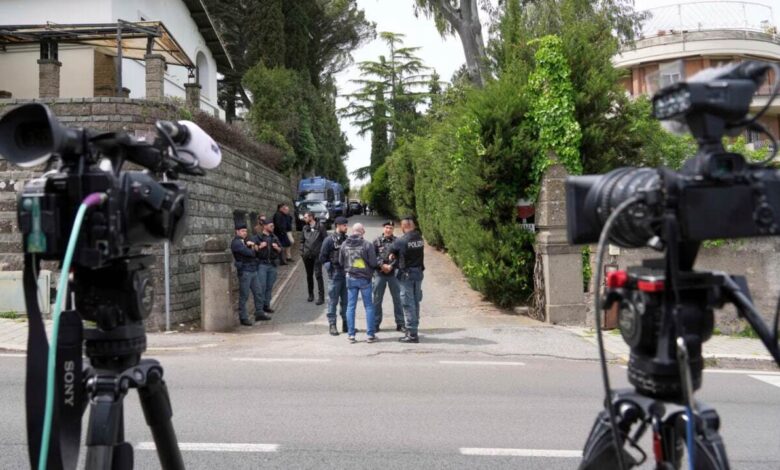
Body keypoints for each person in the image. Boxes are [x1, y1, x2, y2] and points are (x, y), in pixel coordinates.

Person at [339, 223, 378, 343]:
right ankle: (370, 335)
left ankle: (351, 335)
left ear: (353, 231)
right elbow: (373, 263)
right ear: (362, 231)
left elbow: (341, 262)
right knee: (369, 306)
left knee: (350, 307)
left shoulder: (344, 244)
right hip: (365, 279)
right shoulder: (367, 245)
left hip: (350, 278)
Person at [389, 217, 425, 343]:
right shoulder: (419, 238)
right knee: (415, 302)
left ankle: (412, 334)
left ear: (403, 227)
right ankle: (414, 328)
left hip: (406, 275)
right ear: (413, 226)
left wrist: (394, 254)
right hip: (418, 273)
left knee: (408, 303)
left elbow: (391, 250)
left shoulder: (401, 240)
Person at [231, 222, 270, 326]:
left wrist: (253, 247)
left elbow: (257, 252)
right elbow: (251, 253)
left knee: (258, 292)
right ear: (237, 231)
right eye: (242, 231)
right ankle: (243, 317)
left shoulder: (245, 241)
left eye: (245, 231)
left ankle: (259, 312)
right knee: (244, 295)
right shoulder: (236, 243)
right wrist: (253, 246)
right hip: (245, 271)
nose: (245, 233)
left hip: (252, 270)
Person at [372, 220, 405, 332]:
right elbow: (373, 256)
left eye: (391, 228)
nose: (388, 230)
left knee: (398, 299)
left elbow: (400, 257)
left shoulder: (398, 241)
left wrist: (391, 266)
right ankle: (375, 324)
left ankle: (400, 324)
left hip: (393, 274)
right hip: (379, 274)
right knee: (377, 300)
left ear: (393, 229)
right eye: (387, 227)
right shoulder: (376, 241)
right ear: (383, 228)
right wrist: (382, 265)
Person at [320, 216, 349, 336]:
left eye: (346, 225)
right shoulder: (329, 240)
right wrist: (330, 269)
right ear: (338, 225)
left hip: (346, 274)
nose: (346, 227)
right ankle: (332, 325)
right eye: (344, 225)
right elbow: (322, 257)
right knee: (333, 301)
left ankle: (346, 324)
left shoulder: (347, 239)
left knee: (346, 301)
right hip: (335, 274)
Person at [253, 218, 282, 314]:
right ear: (265, 226)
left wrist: (277, 248)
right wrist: (260, 247)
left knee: (269, 286)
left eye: (273, 226)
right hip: (262, 265)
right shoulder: (257, 237)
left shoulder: (274, 237)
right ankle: (259, 308)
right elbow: (252, 250)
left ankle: (266, 305)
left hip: (272, 265)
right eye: (271, 226)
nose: (273, 227)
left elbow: (280, 249)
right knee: (261, 287)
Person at [300, 211, 327, 305]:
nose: (304, 218)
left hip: (317, 255)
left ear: (311, 217)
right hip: (307, 255)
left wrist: (323, 253)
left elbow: (325, 240)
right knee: (309, 275)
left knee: (318, 275)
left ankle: (321, 297)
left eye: (305, 217)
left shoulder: (320, 227)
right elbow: (302, 241)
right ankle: (311, 294)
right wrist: (302, 252)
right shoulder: (305, 228)